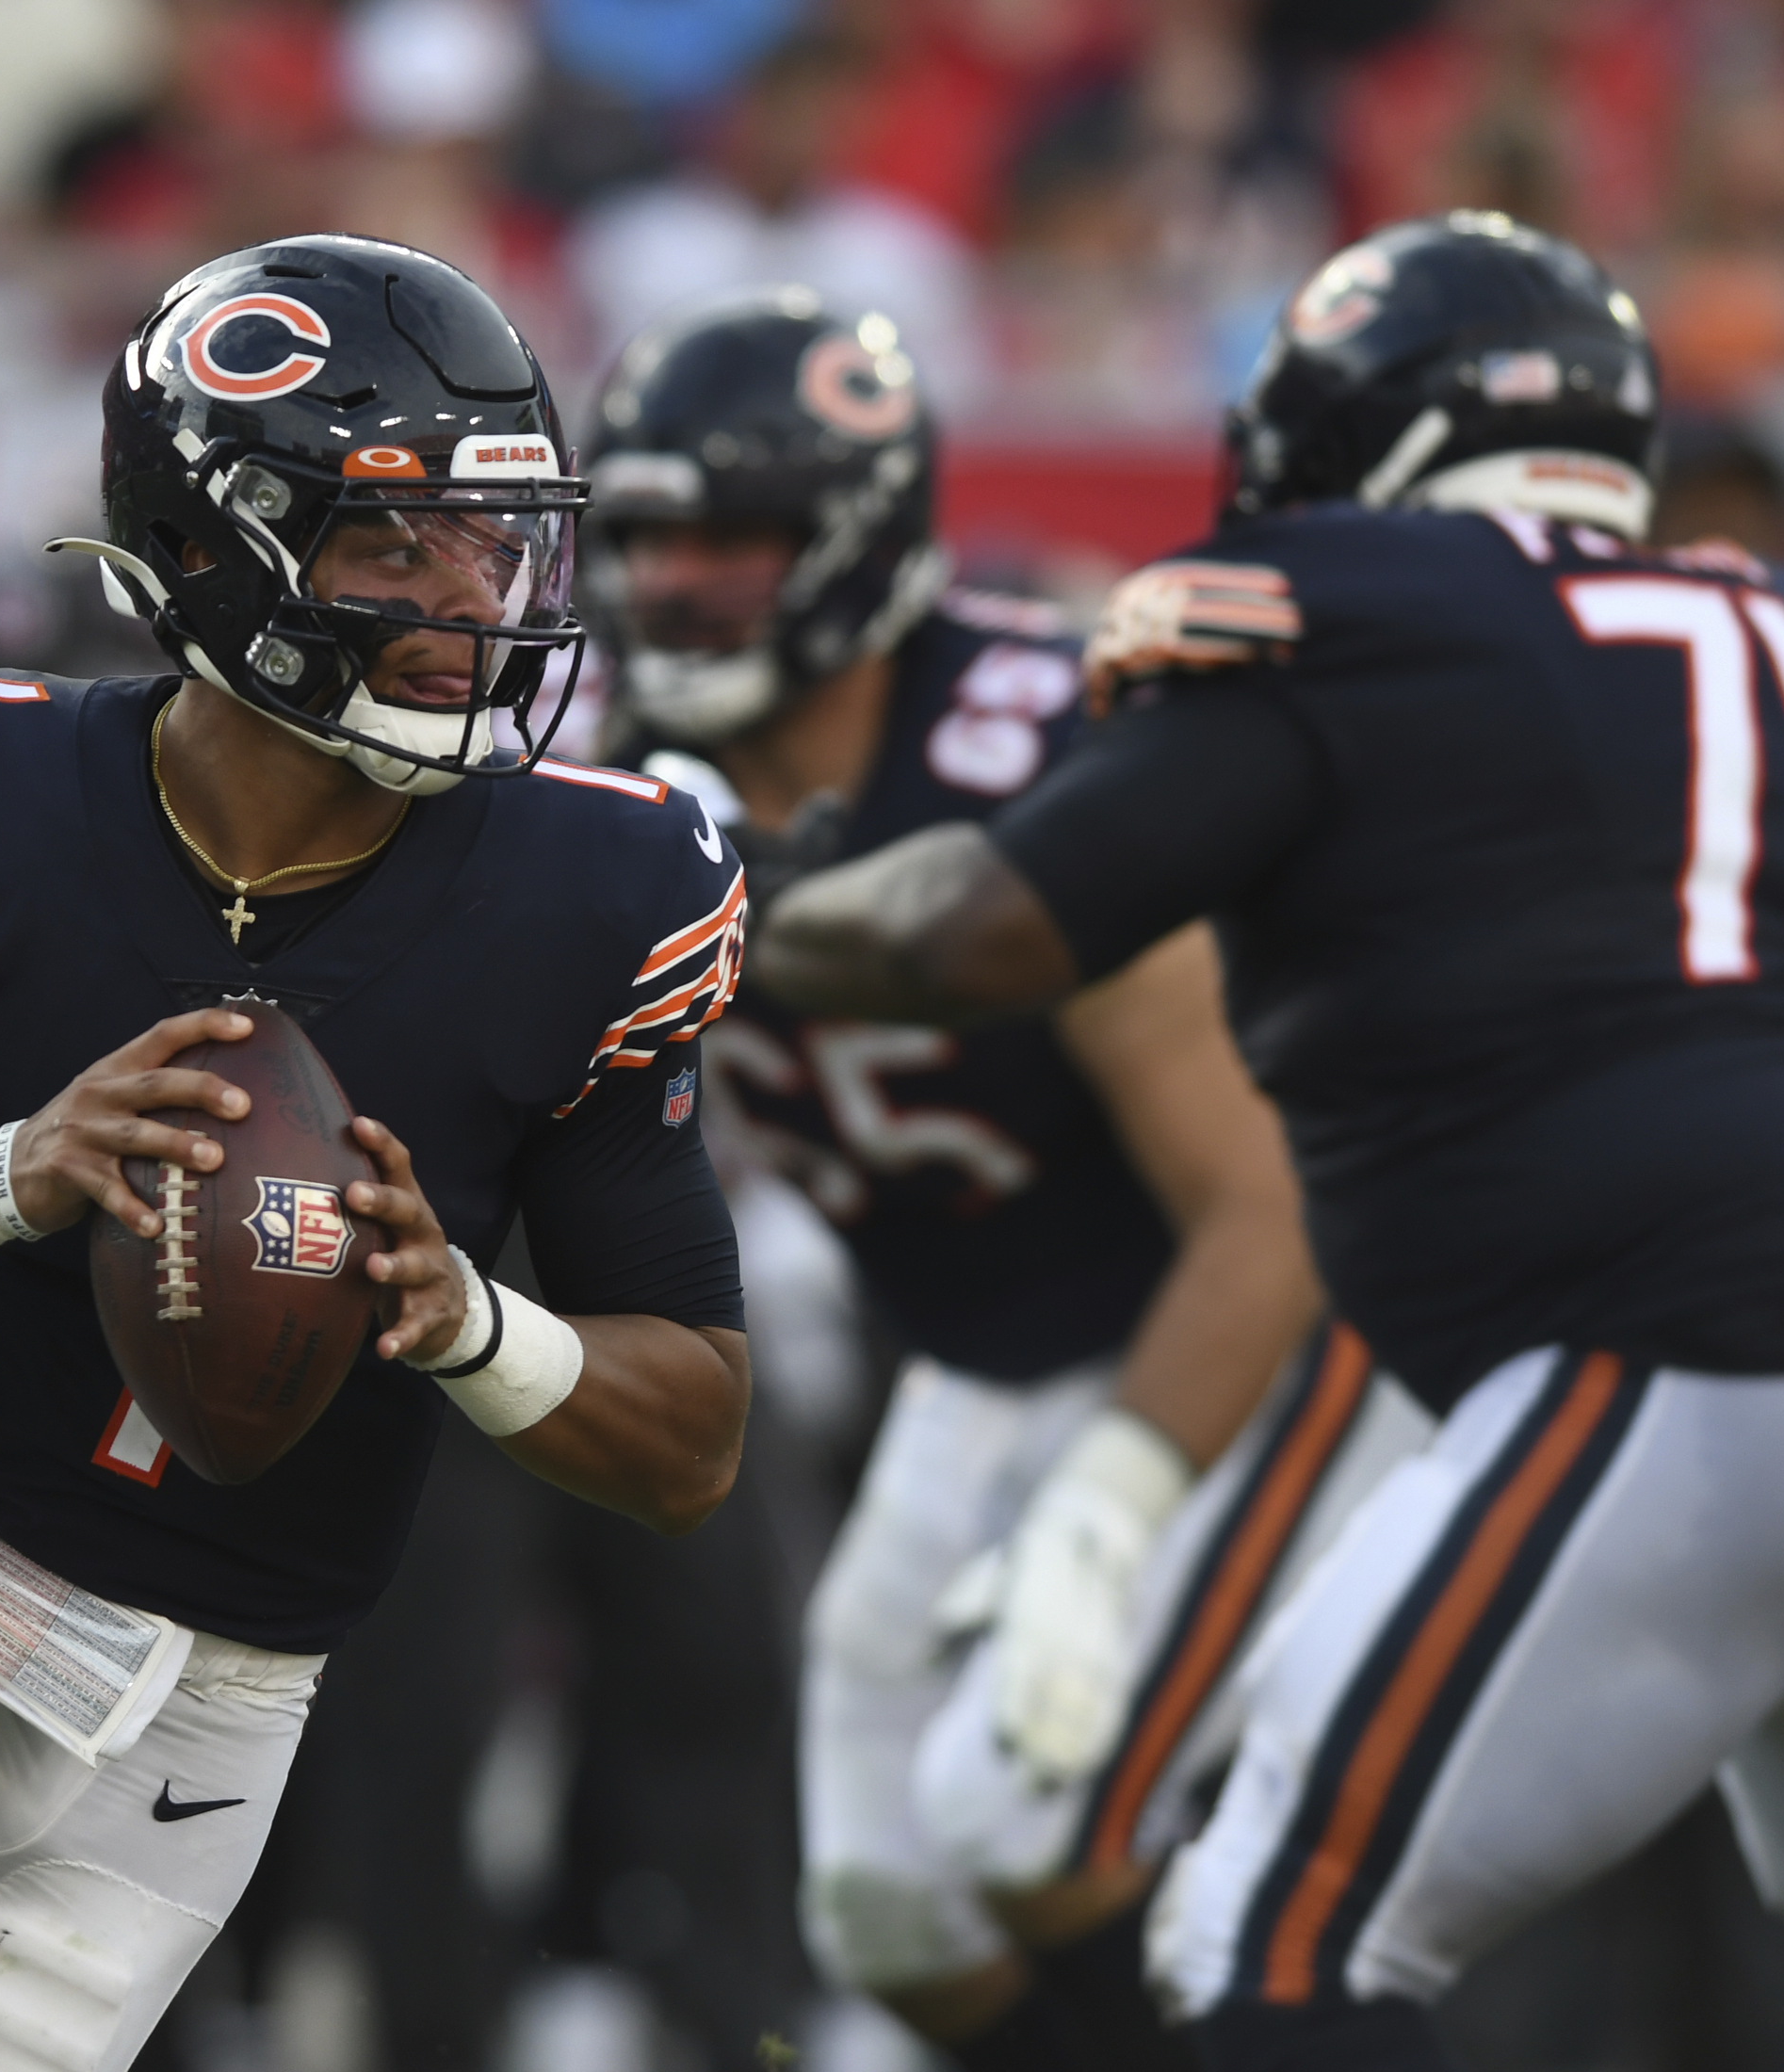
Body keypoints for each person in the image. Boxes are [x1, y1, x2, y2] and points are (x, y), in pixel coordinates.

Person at [754, 211, 1784, 2072]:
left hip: (1678, 1367)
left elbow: (984, 935)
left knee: (1273, 1944)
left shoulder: (1343, 607)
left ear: (1356, 443)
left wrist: (755, 902)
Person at [0, 234, 754, 2072]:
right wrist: (8, 1172)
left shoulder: (603, 890)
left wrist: (468, 1325)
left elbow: (692, 1437)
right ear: (212, 547)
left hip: (211, 1698)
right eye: (396, 541)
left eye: (496, 537)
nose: (473, 596)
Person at [587, 286, 1421, 2071]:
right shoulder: (624, 792)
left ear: (859, 533)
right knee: (884, 1906)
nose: (674, 585)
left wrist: (1113, 1508)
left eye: (731, 536)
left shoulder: (1047, 752)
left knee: (1037, 1835)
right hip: (983, 1344)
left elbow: (1259, 1206)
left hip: (1249, 1324)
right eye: (645, 535)